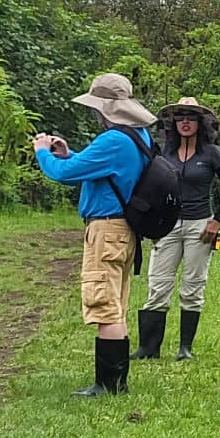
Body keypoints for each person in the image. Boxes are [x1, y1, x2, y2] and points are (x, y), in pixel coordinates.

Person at [33, 73, 156, 397]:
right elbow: (98, 171)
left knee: (104, 304)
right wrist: (69, 153)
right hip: (125, 230)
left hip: (106, 230)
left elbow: (62, 174)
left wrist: (43, 152)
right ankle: (116, 383)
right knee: (116, 304)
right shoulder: (138, 136)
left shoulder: (113, 140)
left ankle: (108, 385)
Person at [130, 97, 220, 362]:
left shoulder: (212, 153)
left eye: (190, 117)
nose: (185, 122)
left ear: (200, 123)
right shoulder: (163, 152)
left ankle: (185, 348)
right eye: (180, 118)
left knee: (193, 285)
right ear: (173, 123)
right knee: (158, 283)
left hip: (200, 224)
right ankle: (148, 348)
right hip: (166, 225)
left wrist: (217, 220)